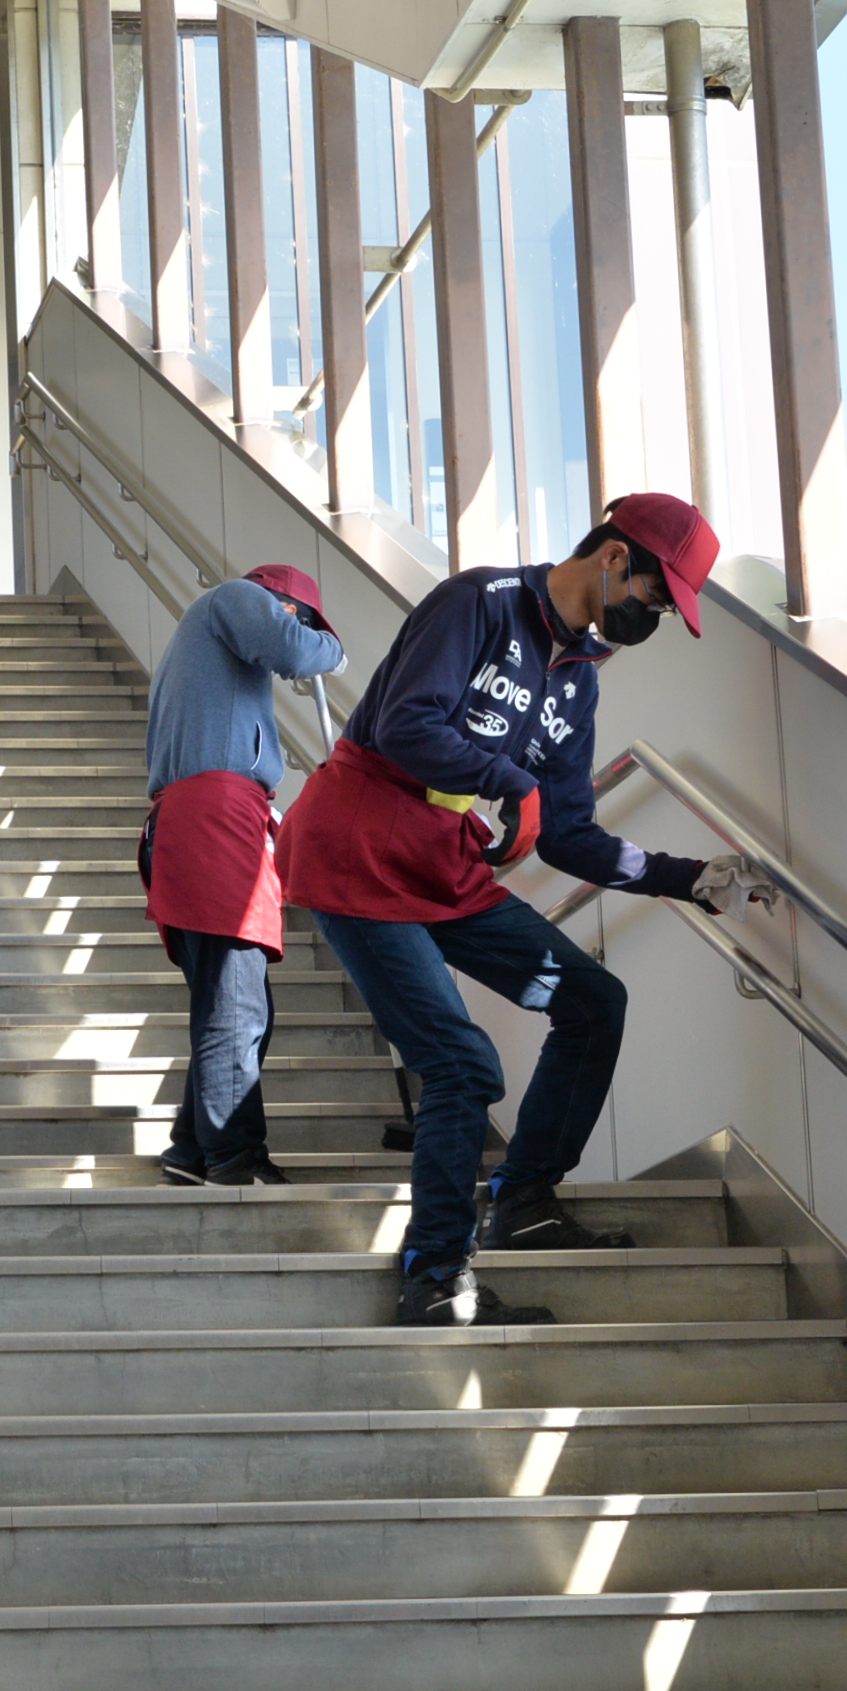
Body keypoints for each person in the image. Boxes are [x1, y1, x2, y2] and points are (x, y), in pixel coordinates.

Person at [278, 493, 772, 1329]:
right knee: (463, 1063)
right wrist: (509, 783)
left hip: (443, 863)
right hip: (357, 846)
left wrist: (690, 878)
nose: (650, 617)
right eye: (654, 597)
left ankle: (528, 1200)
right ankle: (437, 1276)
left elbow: (569, 835)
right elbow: (403, 723)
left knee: (591, 1000)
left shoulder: (576, 687)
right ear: (615, 559)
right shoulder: (481, 602)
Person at [141, 565, 345, 1186]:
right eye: (303, 618)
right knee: (236, 1001)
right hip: (212, 816)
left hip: (208, 816)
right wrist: (330, 648)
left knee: (231, 996)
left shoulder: (209, 653)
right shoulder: (234, 599)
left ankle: (193, 1148)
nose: (304, 634)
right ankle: (235, 1157)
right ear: (277, 603)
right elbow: (289, 648)